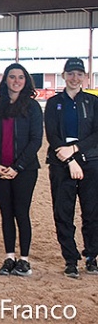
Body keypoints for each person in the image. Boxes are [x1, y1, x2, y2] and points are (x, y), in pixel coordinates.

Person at [0, 63, 42, 276]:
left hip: (25, 171)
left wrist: (17, 167)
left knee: (21, 212)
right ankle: (9, 257)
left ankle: (24, 259)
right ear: (5, 80)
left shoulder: (33, 107)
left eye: (20, 77)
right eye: (12, 77)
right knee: (6, 214)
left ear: (26, 80)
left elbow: (36, 140)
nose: (16, 81)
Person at [44, 58, 98, 278]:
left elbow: (96, 134)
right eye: (71, 73)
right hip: (60, 162)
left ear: (85, 77)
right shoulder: (54, 102)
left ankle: (91, 255)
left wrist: (75, 149)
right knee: (63, 212)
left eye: (79, 74)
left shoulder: (93, 102)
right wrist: (68, 160)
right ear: (64, 75)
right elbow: (52, 135)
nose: (75, 78)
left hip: (90, 161)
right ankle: (70, 259)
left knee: (92, 212)